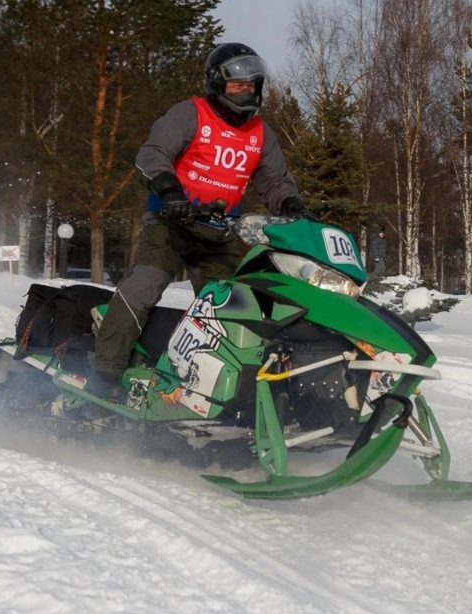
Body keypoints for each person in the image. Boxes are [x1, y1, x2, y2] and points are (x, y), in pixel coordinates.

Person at [87, 42, 310, 400]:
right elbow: (153, 153)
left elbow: (275, 183)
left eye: (252, 84)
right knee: (143, 286)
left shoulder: (261, 135)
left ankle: (226, 389)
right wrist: (170, 191)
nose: (246, 91)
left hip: (219, 234)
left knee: (235, 307)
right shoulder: (191, 114)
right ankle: (104, 376)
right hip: (171, 223)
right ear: (217, 85)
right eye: (237, 85)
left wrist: (294, 208)